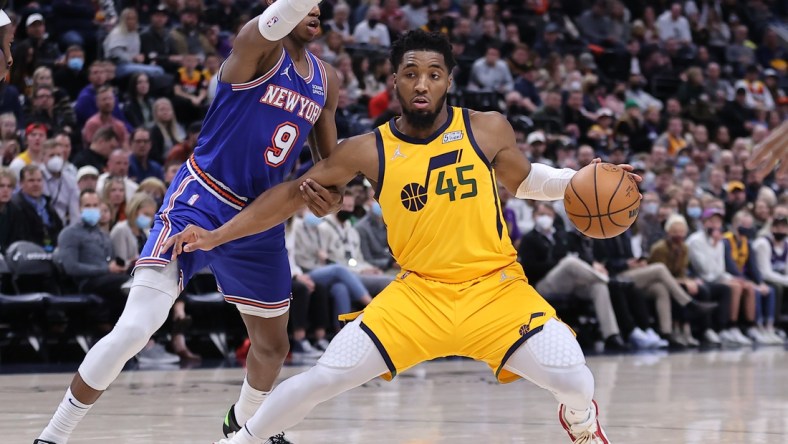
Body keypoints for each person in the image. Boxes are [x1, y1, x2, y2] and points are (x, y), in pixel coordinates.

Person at [166, 30, 616, 444]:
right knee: (323, 378)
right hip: (417, 296)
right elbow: (289, 195)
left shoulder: (486, 127)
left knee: (577, 382)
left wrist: (581, 179)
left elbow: (526, 181)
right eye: (411, 73)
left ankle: (580, 423)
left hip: (496, 290)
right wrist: (216, 234)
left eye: (434, 75)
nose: (422, 84)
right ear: (394, 80)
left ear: (449, 81)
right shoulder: (367, 149)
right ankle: (241, 440)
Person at [35, 0, 340, 442]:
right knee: (136, 328)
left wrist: (329, 198)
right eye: (305, 4)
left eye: (320, 7)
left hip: (260, 215)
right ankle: (53, 435)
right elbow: (281, 16)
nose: (315, 11)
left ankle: (241, 426)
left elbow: (327, 167)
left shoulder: (326, 79)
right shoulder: (256, 45)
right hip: (203, 198)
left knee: (273, 348)